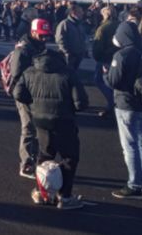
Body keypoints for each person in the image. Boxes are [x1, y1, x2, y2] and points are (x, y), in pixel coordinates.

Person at [13, 19, 88, 210]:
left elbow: (18, 93)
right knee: (69, 158)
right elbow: (81, 102)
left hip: (40, 119)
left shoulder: (30, 71)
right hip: (63, 120)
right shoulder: (68, 73)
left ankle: (42, 192)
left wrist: (34, 103)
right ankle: (66, 196)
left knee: (44, 155)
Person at [106, 8, 142, 199]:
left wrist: (105, 73)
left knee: (130, 145)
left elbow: (113, 81)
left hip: (127, 104)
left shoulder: (122, 55)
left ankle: (133, 184)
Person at [9, 19, 50, 180]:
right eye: (42, 35)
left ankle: (34, 159)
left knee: (35, 128)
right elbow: (16, 76)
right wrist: (23, 96)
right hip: (25, 94)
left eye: (46, 36)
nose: (45, 39)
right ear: (33, 32)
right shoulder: (24, 50)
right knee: (28, 128)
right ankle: (26, 163)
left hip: (35, 92)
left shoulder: (38, 46)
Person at [92, 6, 119, 117]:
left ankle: (112, 103)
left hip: (105, 57)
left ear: (105, 15)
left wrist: (97, 57)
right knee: (113, 81)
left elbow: (98, 46)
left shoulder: (103, 28)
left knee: (100, 80)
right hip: (117, 56)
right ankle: (114, 102)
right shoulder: (119, 25)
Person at [55, 4, 88, 70]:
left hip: (78, 55)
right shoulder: (64, 24)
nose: (82, 13)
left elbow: (83, 37)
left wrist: (83, 50)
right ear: (73, 13)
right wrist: (67, 53)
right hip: (69, 56)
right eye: (80, 12)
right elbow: (60, 40)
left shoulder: (79, 24)